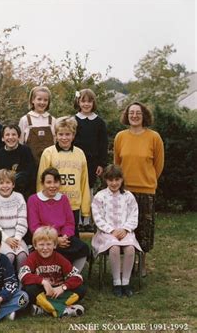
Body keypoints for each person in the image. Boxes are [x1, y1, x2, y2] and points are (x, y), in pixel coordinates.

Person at [114, 101, 164, 276]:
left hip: (146, 190)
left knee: (144, 229)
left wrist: (148, 180)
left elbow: (158, 165)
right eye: (131, 113)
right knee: (125, 228)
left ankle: (141, 263)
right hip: (124, 191)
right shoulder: (120, 136)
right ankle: (125, 262)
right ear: (127, 116)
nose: (134, 116)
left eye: (138, 113)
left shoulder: (154, 137)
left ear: (144, 116)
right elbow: (117, 164)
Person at [92, 164, 142, 297]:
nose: (114, 183)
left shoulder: (128, 196)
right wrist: (111, 230)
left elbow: (134, 214)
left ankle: (125, 282)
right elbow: (98, 217)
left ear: (121, 180)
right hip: (106, 233)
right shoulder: (99, 196)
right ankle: (116, 282)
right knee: (113, 248)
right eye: (110, 180)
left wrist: (126, 229)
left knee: (130, 248)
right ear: (106, 180)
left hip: (125, 231)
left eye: (117, 180)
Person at [27, 167, 89, 272]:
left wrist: (65, 237)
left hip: (63, 237)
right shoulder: (33, 200)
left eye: (56, 182)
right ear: (42, 183)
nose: (52, 186)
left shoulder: (63, 199)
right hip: (43, 237)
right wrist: (55, 239)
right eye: (49, 182)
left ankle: (73, 275)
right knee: (53, 250)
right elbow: (34, 226)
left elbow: (69, 222)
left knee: (83, 248)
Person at [37, 116, 90, 237]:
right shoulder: (48, 153)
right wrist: (41, 203)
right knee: (53, 236)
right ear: (56, 135)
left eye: (68, 134)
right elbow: (41, 180)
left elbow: (84, 181)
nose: (64, 138)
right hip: (53, 202)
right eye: (61, 134)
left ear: (73, 135)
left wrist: (85, 208)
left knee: (71, 237)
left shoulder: (80, 153)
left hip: (74, 203)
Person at [19, 226, 86, 318]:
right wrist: (43, 282)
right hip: (42, 291)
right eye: (41, 244)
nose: (45, 248)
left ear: (54, 245)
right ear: (35, 245)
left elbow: (78, 277)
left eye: (49, 244)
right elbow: (23, 275)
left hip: (58, 292)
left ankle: (43, 309)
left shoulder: (59, 258)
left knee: (81, 288)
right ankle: (63, 310)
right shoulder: (32, 257)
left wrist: (63, 287)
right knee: (29, 289)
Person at [73, 89, 108, 232]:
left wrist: (101, 163)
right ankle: (78, 220)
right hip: (75, 161)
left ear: (93, 103)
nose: (86, 104)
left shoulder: (99, 122)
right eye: (83, 101)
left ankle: (87, 220)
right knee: (77, 189)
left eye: (89, 101)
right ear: (78, 102)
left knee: (89, 189)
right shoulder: (73, 120)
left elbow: (103, 144)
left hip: (93, 162)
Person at [0, 169, 28, 273]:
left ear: (13, 184)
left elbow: (22, 220)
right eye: (1, 183)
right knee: (9, 255)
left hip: (17, 237)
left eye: (8, 182)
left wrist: (17, 238)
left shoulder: (19, 197)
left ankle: (21, 283)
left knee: (22, 255)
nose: (5, 186)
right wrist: (6, 239)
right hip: (0, 237)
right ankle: (5, 282)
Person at [0, 124, 36, 200]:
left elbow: (32, 175)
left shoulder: (26, 151)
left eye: (14, 134)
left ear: (19, 137)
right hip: (2, 195)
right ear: (2, 138)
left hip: (23, 195)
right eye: (7, 135)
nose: (10, 137)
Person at [18, 86, 56, 164]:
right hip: (30, 163)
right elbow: (20, 143)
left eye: (45, 100)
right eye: (39, 99)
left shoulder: (52, 120)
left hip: (49, 163)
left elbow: (56, 142)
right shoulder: (25, 120)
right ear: (32, 100)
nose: (42, 102)